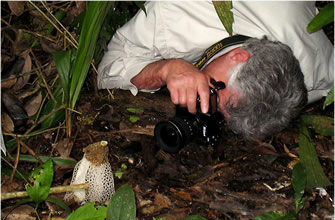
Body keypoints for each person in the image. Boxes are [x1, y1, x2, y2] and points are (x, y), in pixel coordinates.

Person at [97, 1, 334, 140]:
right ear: (238, 56)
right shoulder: (177, 15)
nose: (204, 102)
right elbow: (106, 75)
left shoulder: (318, 73)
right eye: (214, 89)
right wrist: (165, 70)